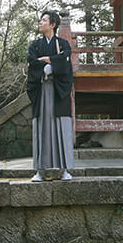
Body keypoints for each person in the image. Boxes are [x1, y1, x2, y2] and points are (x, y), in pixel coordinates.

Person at [26, 9, 74, 181]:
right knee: (42, 127)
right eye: (41, 20)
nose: (41, 22)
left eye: (44, 20)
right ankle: (40, 170)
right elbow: (32, 62)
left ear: (53, 24)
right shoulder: (35, 45)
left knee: (62, 126)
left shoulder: (63, 44)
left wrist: (52, 63)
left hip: (58, 90)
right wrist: (48, 64)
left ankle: (65, 169)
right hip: (41, 89)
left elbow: (66, 61)